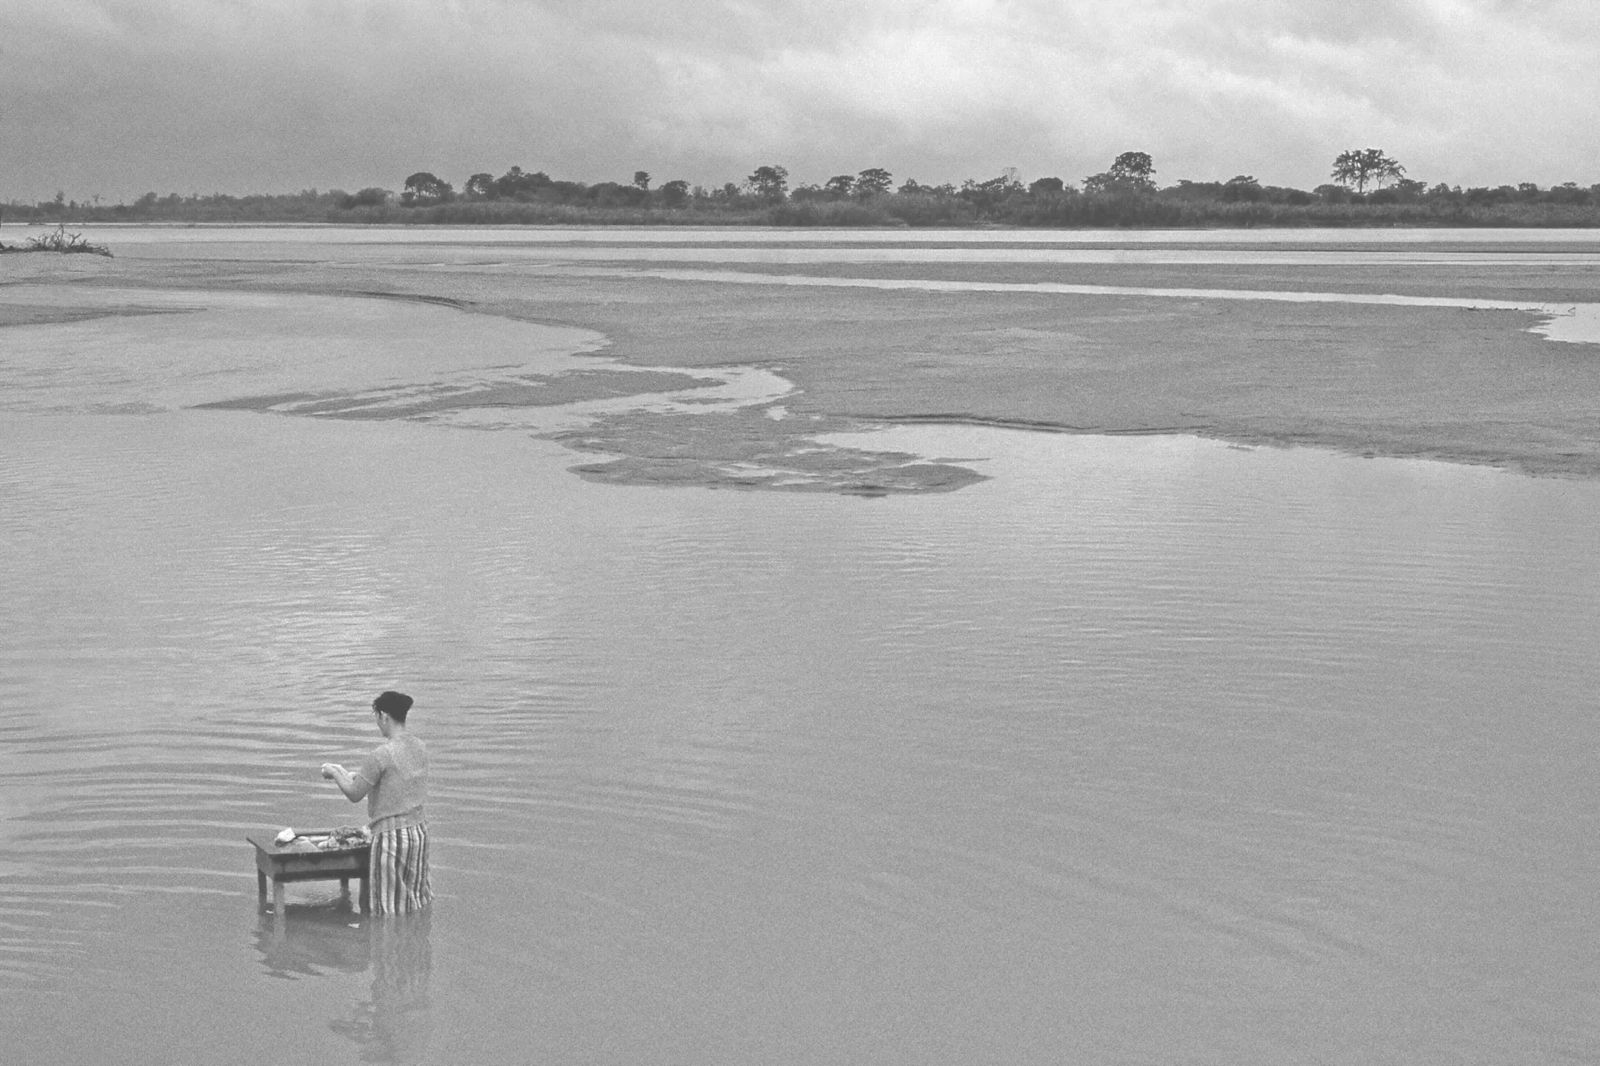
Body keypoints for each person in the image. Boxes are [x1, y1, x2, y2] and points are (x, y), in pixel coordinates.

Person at [322, 691, 433, 915]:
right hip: (418, 833)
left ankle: (386, 947)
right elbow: (400, 781)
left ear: (383, 716)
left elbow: (355, 794)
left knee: (388, 910)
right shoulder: (420, 747)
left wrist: (334, 772)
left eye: (377, 717)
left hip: (392, 839)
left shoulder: (381, 754)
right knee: (415, 904)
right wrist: (358, 776)